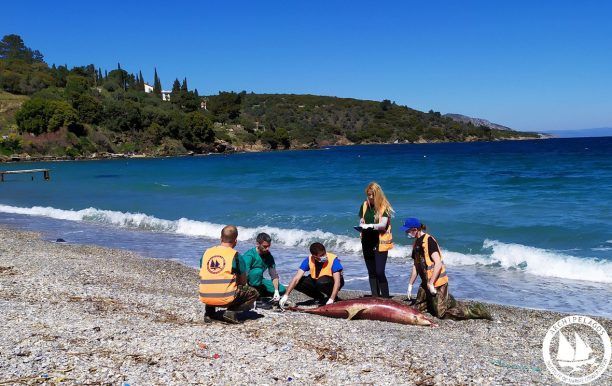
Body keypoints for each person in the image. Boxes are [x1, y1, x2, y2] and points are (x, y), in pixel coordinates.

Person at [402, 218, 491, 320]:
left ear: (415, 229)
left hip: (438, 283)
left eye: (407, 230)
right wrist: (410, 284)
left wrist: (431, 283)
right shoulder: (416, 244)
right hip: (426, 283)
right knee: (417, 309)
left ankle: (475, 310)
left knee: (441, 314)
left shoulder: (429, 240)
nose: (406, 233)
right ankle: (445, 300)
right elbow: (416, 266)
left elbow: (438, 263)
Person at [199, 225, 259, 324]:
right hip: (226, 298)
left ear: (220, 238)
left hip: (205, 296)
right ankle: (231, 312)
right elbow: (243, 282)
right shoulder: (235, 255)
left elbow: (204, 272)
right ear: (236, 241)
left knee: (212, 280)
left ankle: (209, 313)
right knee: (253, 293)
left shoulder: (207, 253)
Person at [279, 242, 344, 307]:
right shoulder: (309, 259)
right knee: (297, 283)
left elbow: (337, 282)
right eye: (321, 255)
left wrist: (331, 299)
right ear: (314, 256)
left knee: (321, 282)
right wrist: (286, 295)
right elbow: (296, 278)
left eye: (324, 254)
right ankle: (319, 297)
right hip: (317, 281)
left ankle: (332, 297)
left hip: (332, 282)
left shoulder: (333, 259)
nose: (324, 256)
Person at [358, 182, 394, 298]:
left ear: (377, 194)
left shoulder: (384, 207)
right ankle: (375, 297)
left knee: (379, 271)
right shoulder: (364, 205)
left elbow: (383, 225)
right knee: (371, 272)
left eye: (373, 195)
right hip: (367, 241)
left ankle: (385, 297)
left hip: (380, 242)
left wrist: (370, 226)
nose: (371, 197)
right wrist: (362, 224)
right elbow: (361, 220)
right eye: (369, 195)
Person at [242, 232, 286, 301]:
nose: (267, 248)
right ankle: (252, 293)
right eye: (265, 246)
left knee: (282, 289)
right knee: (257, 271)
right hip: (246, 281)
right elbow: (243, 274)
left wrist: (276, 291)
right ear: (257, 244)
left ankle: (258, 293)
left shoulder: (268, 256)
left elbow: (273, 274)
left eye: (269, 246)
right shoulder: (249, 255)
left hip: (259, 280)